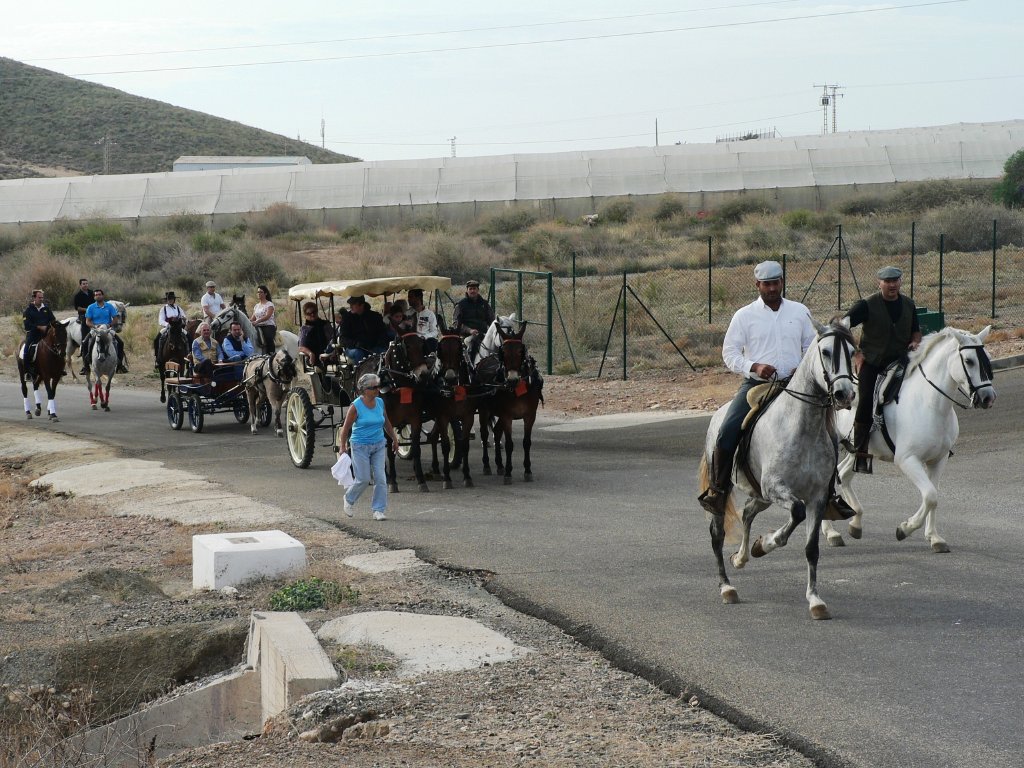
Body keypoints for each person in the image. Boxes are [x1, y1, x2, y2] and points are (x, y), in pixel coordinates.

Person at [698, 260, 854, 519]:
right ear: (757, 285)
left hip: (797, 385)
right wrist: (754, 366)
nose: (772, 288)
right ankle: (718, 491)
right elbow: (730, 353)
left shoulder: (799, 312)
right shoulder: (744, 315)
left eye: (776, 283)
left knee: (831, 435)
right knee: (727, 430)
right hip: (757, 385)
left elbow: (812, 348)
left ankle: (829, 493)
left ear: (782, 282)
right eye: (766, 284)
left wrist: (802, 367)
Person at [843, 265, 922, 474]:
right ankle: (860, 451)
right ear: (879, 283)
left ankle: (933, 440)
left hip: (901, 360)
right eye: (887, 281)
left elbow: (916, 331)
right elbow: (842, 325)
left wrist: (915, 342)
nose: (892, 285)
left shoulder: (908, 304)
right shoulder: (866, 305)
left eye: (895, 280)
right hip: (872, 361)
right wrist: (856, 353)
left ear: (900, 282)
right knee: (866, 399)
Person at [338, 372, 399, 521]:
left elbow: (386, 422)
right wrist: (342, 446)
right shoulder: (356, 406)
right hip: (360, 446)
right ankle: (349, 498)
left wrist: (394, 438)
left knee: (381, 478)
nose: (378, 389)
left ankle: (378, 509)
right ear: (365, 390)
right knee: (363, 479)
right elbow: (345, 428)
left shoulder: (380, 402)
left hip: (378, 445)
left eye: (378, 386)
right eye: (374, 387)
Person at [81, 288, 126, 375]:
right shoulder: (91, 307)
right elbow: (87, 321)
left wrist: (109, 325)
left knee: (120, 343)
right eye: (96, 295)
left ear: (103, 296)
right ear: (94, 297)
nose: (98, 296)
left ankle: (119, 365)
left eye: (99, 294)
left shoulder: (110, 306)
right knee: (85, 343)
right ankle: (86, 366)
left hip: (108, 329)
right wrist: (94, 326)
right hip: (95, 329)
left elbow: (115, 319)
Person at [338, 295, 389, 362]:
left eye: (353, 304)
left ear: (361, 305)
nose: (350, 307)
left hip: (373, 347)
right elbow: (342, 339)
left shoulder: (375, 317)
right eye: (350, 304)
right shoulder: (347, 319)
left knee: (384, 352)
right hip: (353, 348)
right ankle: (360, 369)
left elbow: (382, 333)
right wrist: (355, 344)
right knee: (358, 353)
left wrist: (378, 342)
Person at [453, 279, 495, 360]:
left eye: (474, 289)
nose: (472, 291)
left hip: (484, 334)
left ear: (478, 290)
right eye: (470, 289)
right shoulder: (461, 305)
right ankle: (471, 364)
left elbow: (492, 320)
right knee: (471, 342)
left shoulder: (485, 304)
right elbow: (455, 323)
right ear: (467, 290)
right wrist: (469, 330)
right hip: (466, 336)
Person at [22, 289, 57, 374]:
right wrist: (39, 327)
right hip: (33, 335)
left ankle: (60, 368)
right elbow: (27, 325)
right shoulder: (28, 311)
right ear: (34, 298)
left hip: (46, 334)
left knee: (58, 346)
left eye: (42, 297)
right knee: (26, 350)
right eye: (39, 297)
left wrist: (56, 326)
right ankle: (27, 371)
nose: (41, 299)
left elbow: (53, 320)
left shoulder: (46, 309)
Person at [154, 291, 187, 369]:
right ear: (167, 300)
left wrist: (183, 319)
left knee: (188, 337)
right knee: (157, 339)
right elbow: (161, 321)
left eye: (172, 299)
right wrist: (168, 325)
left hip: (178, 328)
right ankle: (158, 358)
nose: (170, 300)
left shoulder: (178, 308)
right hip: (168, 327)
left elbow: (184, 316)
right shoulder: (163, 309)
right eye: (169, 299)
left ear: (174, 299)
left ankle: (188, 356)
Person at [297, 301, 333, 367]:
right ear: (305, 315)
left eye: (314, 312)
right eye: (309, 313)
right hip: (313, 358)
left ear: (317, 312)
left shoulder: (325, 325)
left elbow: (332, 340)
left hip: (328, 354)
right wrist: (310, 353)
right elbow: (301, 347)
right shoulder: (305, 329)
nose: (312, 315)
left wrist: (329, 353)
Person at [408, 288, 440, 353]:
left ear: (418, 298)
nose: (408, 299)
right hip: (410, 341)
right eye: (408, 297)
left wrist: (424, 337)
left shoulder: (429, 314)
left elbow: (435, 332)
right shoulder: (407, 313)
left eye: (411, 297)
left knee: (432, 342)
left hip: (425, 341)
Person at [250, 284, 277, 356]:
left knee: (268, 337)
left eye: (261, 292)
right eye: (258, 292)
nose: (259, 294)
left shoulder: (269, 304)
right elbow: (253, 318)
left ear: (265, 294)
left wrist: (257, 321)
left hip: (268, 325)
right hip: (258, 326)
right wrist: (248, 322)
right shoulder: (256, 306)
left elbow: (267, 316)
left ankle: (271, 353)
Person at [72, 278, 92, 343]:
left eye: (86, 283)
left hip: (94, 313)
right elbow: (77, 308)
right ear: (80, 285)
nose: (85, 285)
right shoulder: (77, 296)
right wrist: (86, 309)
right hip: (83, 314)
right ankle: (84, 342)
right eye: (84, 284)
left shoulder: (92, 293)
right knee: (85, 324)